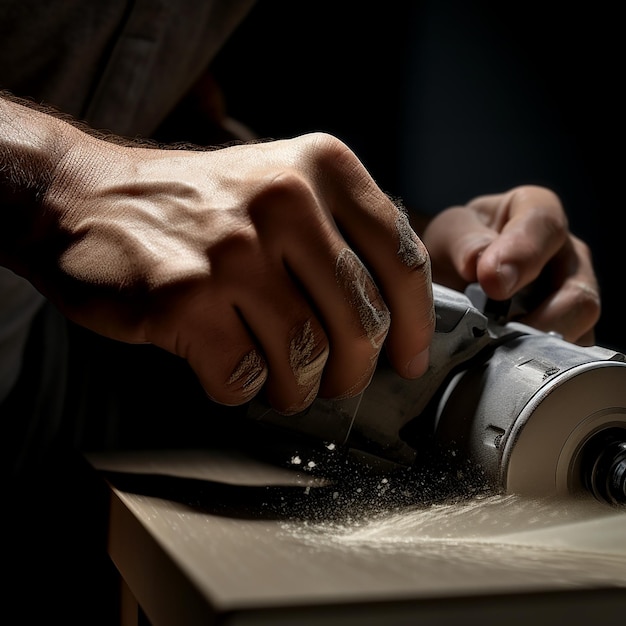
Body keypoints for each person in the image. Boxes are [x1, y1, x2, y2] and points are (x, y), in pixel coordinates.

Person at [0, 0, 601, 623]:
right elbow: (93, 160)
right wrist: (59, 182)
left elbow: (154, 108)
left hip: (38, 396)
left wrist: (394, 248)